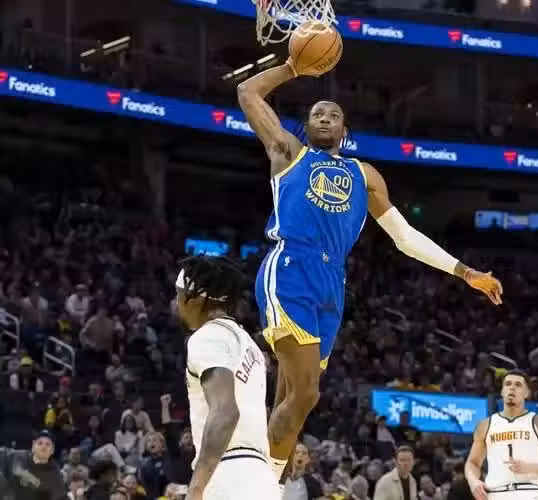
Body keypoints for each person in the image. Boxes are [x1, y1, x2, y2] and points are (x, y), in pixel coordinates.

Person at [237, 46, 504, 487]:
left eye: (333, 115)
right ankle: (257, 488)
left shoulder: (365, 176)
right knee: (306, 393)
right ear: (306, 126)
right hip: (291, 268)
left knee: (293, 398)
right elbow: (247, 92)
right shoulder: (288, 152)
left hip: (332, 283)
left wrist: (464, 272)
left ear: (345, 130)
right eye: (317, 114)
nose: (325, 118)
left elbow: (405, 237)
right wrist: (291, 68)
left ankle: (266, 484)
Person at [176, 255, 279, 500]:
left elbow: (226, 412)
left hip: (228, 474)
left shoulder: (207, 337)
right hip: (262, 477)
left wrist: (196, 488)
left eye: (179, 295)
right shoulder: (249, 344)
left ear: (196, 299)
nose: (176, 303)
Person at [465, 370, 538, 500]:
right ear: (502, 391)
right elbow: (472, 462)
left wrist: (531, 467)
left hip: (530, 492)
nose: (512, 388)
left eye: (518, 385)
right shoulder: (484, 425)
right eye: (508, 384)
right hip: (495, 493)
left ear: (527, 393)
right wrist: (473, 481)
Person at [0, 430, 66, 500]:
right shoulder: (17, 457)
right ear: (33, 445)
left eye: (48, 444)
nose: (43, 447)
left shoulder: (55, 474)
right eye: (40, 443)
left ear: (52, 450)